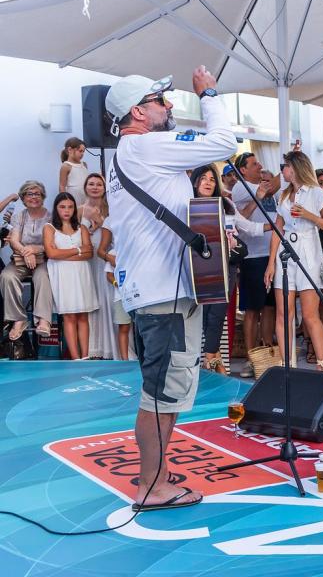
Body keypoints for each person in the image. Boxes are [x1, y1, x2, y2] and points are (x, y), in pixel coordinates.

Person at [105, 66, 236, 512]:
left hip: (162, 290)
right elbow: (224, 143)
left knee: (166, 389)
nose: (169, 105)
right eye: (161, 100)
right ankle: (152, 485)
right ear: (137, 112)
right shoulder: (143, 145)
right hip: (164, 294)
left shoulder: (132, 152)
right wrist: (210, 94)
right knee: (161, 392)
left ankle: (156, 475)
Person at [264, 150, 323, 370]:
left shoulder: (315, 193)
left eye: (284, 166)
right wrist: (271, 263)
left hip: (308, 251)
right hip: (286, 251)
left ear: (294, 168)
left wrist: (310, 216)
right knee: (283, 312)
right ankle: (287, 364)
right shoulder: (284, 195)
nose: (282, 170)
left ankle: (322, 363)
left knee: (309, 313)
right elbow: (278, 228)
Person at [192, 164, 266, 375]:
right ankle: (211, 363)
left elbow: (249, 228)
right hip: (198, 268)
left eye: (212, 179)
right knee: (201, 317)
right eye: (203, 178)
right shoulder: (187, 204)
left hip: (226, 266)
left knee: (217, 315)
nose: (208, 182)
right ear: (195, 181)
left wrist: (279, 226)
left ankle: (211, 361)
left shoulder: (225, 203)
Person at [230, 151, 280, 364]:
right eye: (254, 163)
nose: (259, 166)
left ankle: (266, 354)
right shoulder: (241, 186)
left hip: (271, 254)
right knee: (252, 309)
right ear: (243, 170)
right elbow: (269, 190)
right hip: (253, 256)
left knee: (269, 307)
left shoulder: (260, 187)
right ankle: (252, 357)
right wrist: (288, 167)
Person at [43, 192, 98, 360]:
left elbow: (90, 253)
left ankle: (86, 356)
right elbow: (51, 253)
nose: (66, 210)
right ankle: (75, 358)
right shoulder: (49, 227)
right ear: (56, 208)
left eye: (70, 207)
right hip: (63, 275)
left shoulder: (81, 228)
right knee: (69, 315)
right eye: (62, 207)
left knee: (83, 314)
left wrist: (64, 254)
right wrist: (78, 250)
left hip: (81, 274)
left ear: (74, 208)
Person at [2, 181, 53, 341]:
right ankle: (19, 319)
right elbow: (14, 240)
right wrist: (26, 252)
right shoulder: (19, 216)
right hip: (21, 260)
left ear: (43, 196)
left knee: (43, 276)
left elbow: (51, 242)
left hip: (43, 259)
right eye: (30, 194)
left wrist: (34, 249)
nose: (34, 197)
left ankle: (43, 320)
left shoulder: (50, 216)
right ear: (23, 198)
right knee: (6, 276)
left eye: (37, 193)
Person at [78, 173, 117, 359]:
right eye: (91, 184)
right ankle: (94, 348)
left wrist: (100, 221)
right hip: (86, 261)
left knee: (108, 300)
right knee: (90, 302)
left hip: (105, 259)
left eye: (99, 184)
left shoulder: (112, 209)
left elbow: (115, 233)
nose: (94, 187)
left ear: (104, 188)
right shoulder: (78, 210)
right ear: (85, 187)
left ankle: (112, 347)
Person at [59, 137, 90, 208]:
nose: (82, 154)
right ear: (70, 150)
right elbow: (62, 186)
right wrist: (64, 201)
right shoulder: (66, 166)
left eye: (83, 151)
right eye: (80, 151)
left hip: (85, 198)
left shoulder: (84, 164)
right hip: (73, 199)